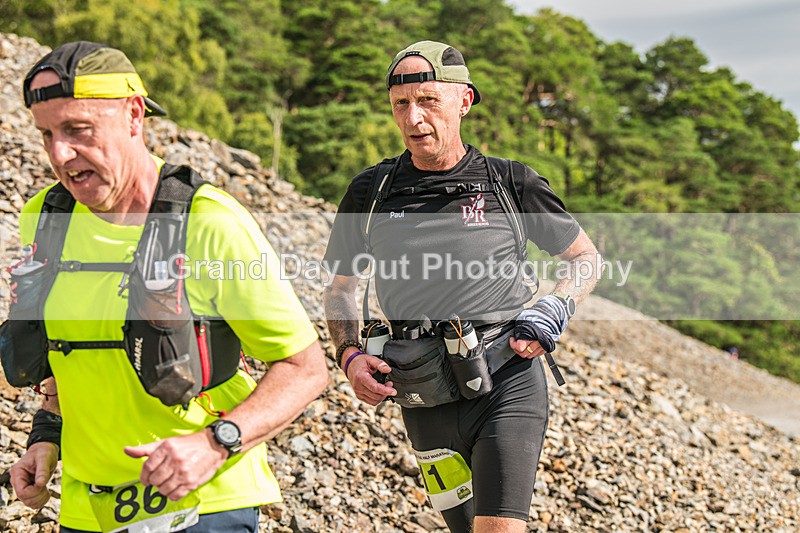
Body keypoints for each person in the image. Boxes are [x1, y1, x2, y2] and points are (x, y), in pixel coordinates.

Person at [5, 41, 327, 532]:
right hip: (87, 509)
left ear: (134, 115)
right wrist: (47, 435)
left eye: (78, 130)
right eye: (46, 134)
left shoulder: (208, 221)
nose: (60, 154)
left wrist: (215, 444)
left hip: (203, 505)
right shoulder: (44, 218)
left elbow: (304, 368)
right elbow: (67, 357)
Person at [323, 41, 602, 532]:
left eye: (428, 100)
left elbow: (585, 259)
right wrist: (349, 356)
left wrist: (556, 306)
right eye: (401, 104)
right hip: (421, 394)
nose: (414, 118)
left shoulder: (510, 182)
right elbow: (341, 289)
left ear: (464, 101)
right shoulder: (371, 191)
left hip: (506, 381)